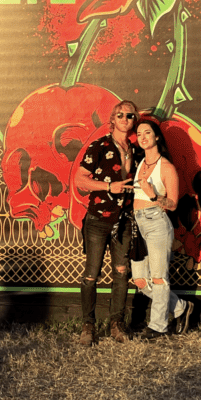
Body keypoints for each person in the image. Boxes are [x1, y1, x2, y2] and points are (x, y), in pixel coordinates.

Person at [74, 99, 139, 345]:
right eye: (120, 115)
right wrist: (109, 186)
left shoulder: (137, 150)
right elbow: (80, 180)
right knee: (91, 274)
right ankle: (88, 326)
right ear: (112, 119)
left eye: (130, 116)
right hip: (98, 219)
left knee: (122, 273)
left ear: (135, 121)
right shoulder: (99, 146)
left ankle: (116, 324)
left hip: (124, 220)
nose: (125, 119)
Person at [130, 118, 193, 339]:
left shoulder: (166, 167)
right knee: (140, 281)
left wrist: (154, 195)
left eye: (147, 133)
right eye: (139, 134)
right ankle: (180, 308)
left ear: (157, 137)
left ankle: (157, 326)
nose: (143, 137)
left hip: (157, 222)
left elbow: (173, 204)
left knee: (159, 277)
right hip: (137, 222)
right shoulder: (139, 163)